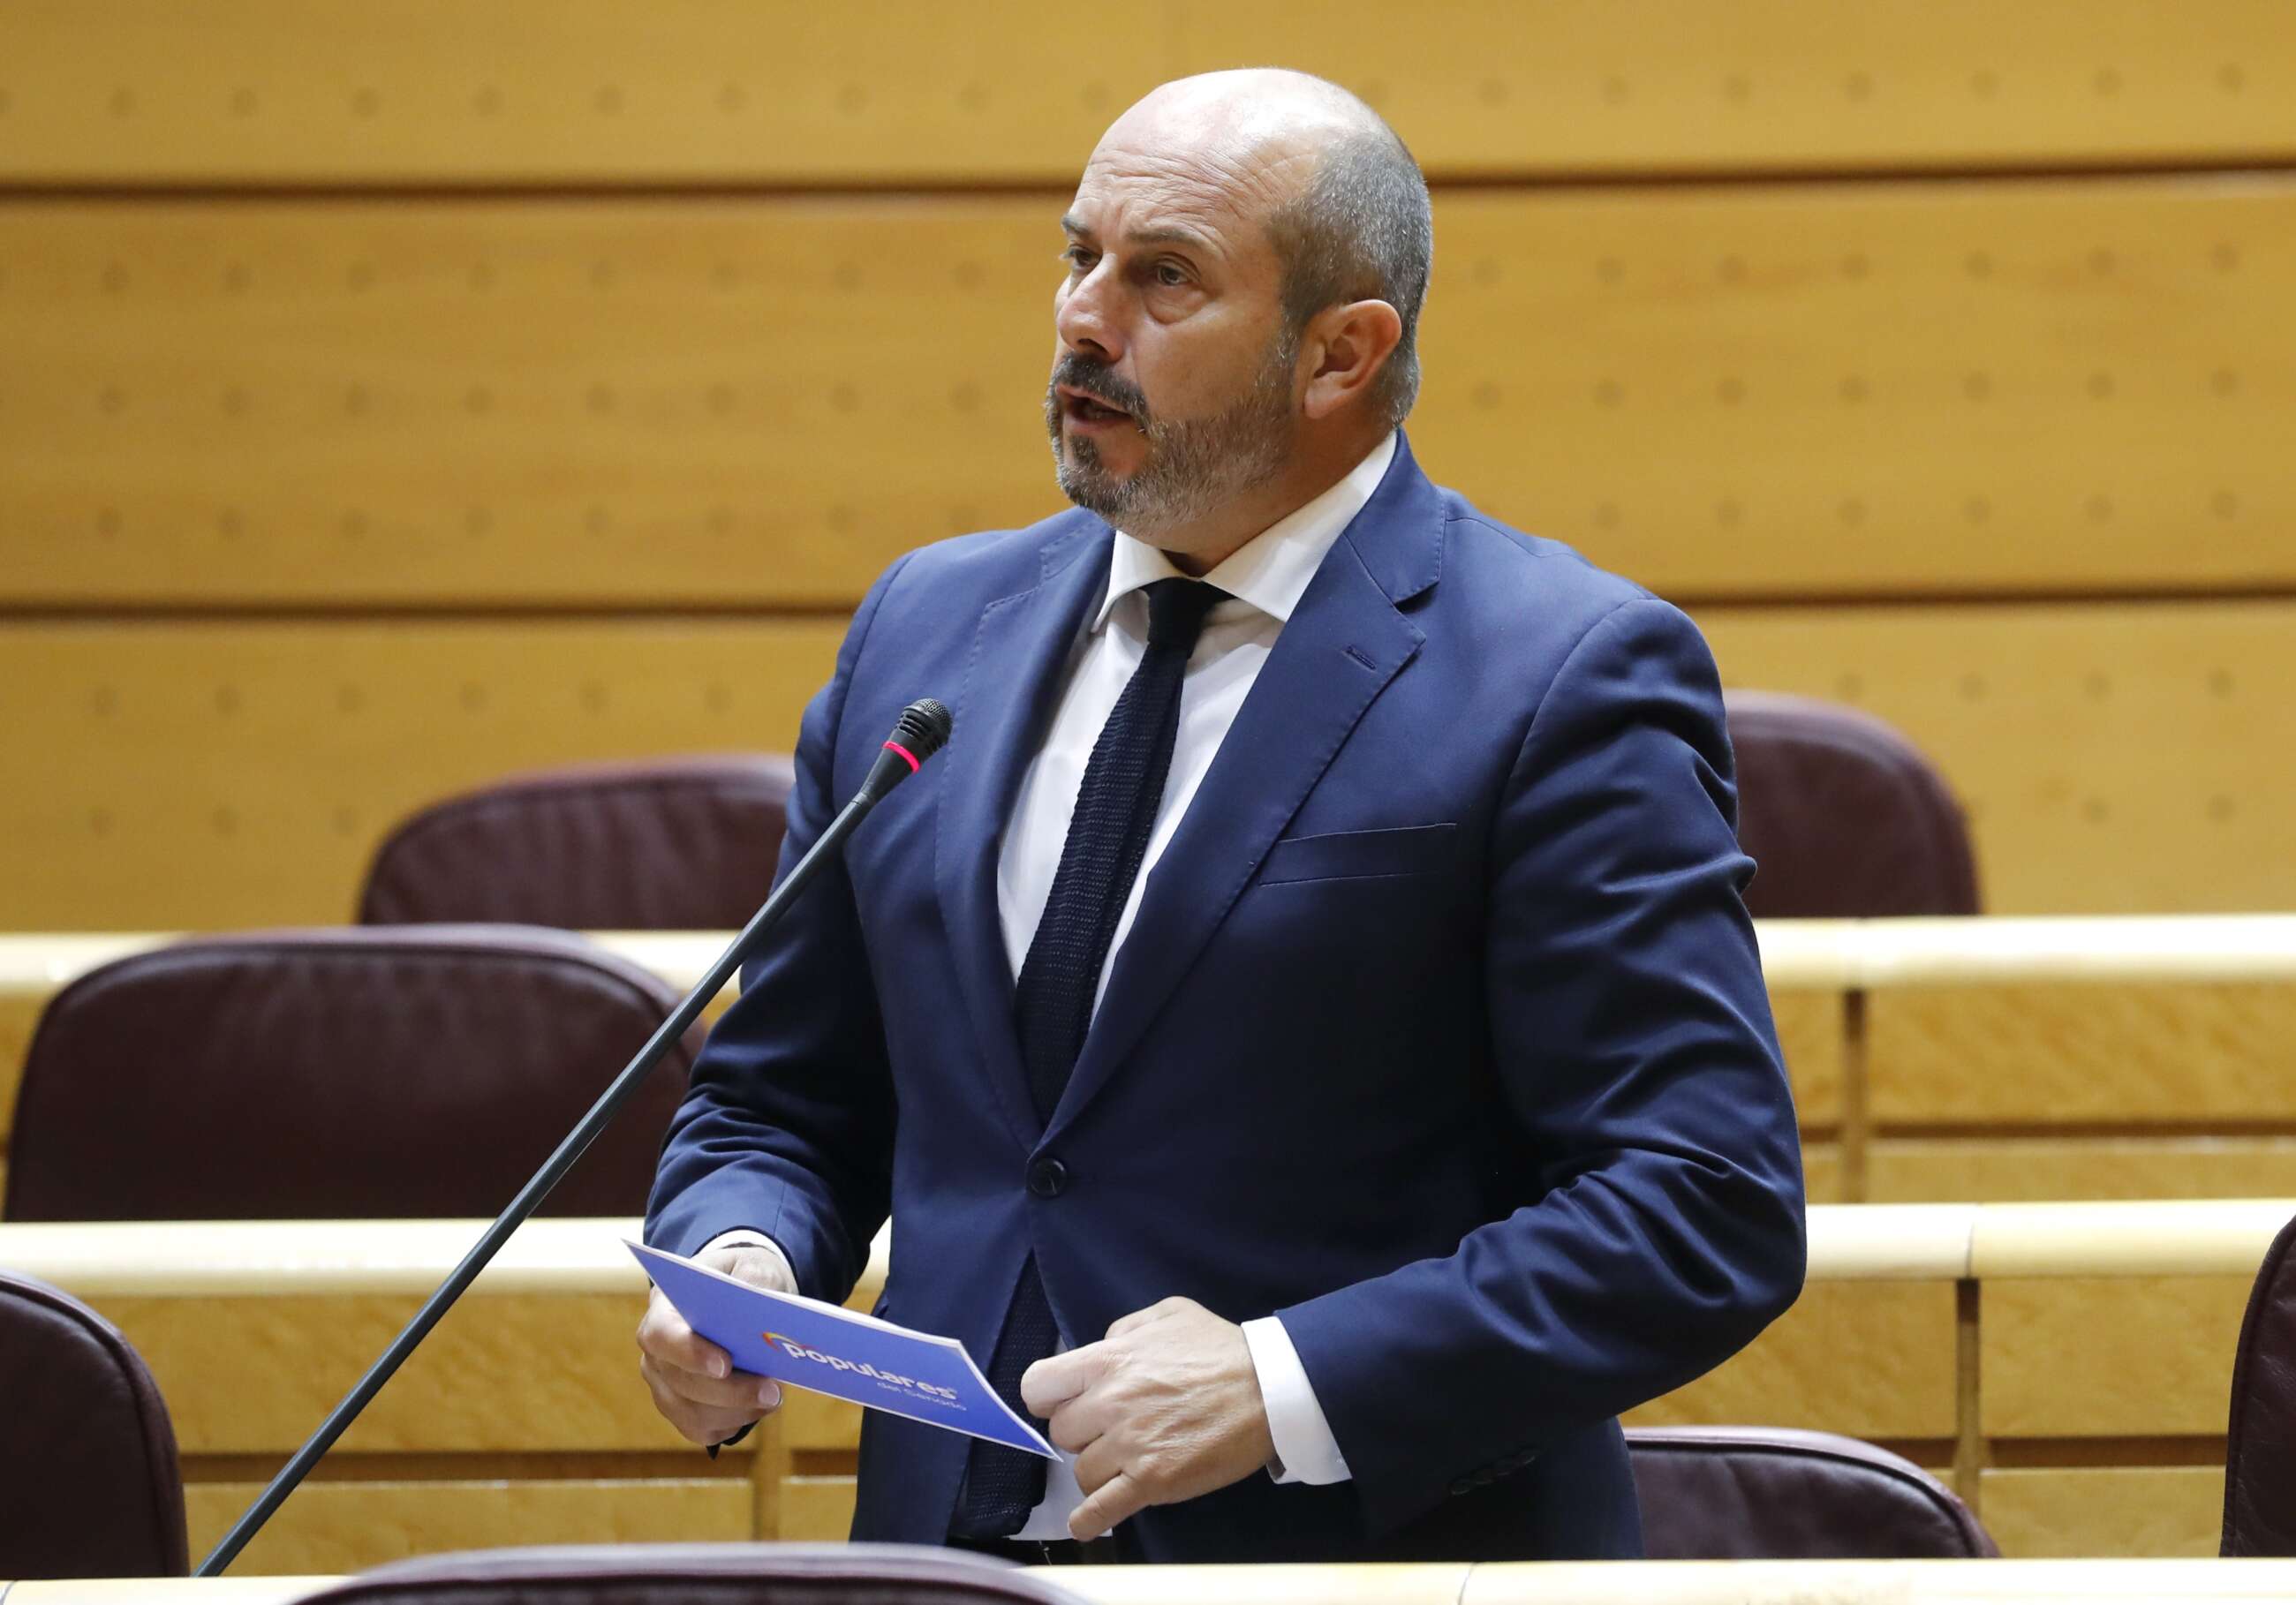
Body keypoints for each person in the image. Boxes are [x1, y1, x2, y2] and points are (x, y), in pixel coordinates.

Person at [638, 67, 1804, 1564]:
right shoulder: (925, 632)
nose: (1083, 316)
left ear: (1342, 353)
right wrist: (739, 1252)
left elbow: (1701, 1203)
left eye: (1163, 278)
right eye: (1079, 257)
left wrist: (1279, 1380)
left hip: (1360, 1575)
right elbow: (789, 1096)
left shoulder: (1560, 672)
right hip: (946, 1566)